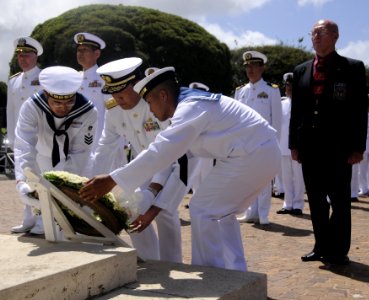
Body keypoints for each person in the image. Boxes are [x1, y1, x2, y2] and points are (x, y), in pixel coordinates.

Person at [80, 66, 281, 271]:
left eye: (150, 102)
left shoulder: (190, 108)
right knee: (221, 214)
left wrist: (113, 180)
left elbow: (161, 151)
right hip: (255, 152)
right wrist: (153, 193)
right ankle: (236, 272)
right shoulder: (188, 106)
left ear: (164, 96)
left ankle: (213, 276)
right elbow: (178, 160)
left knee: (202, 210)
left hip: (252, 154)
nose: (149, 110)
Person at [90, 57, 185, 262]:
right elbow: (105, 148)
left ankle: (172, 262)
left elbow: (166, 153)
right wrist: (89, 181)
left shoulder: (155, 103)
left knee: (165, 212)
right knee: (131, 207)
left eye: (122, 93)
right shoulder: (114, 110)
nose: (117, 98)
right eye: (113, 92)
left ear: (136, 86)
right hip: (141, 166)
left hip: (172, 165)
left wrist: (154, 190)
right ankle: (149, 260)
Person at [289, 19, 367, 265]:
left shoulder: (352, 68)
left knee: (340, 199)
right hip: (309, 146)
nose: (315, 36)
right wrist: (294, 143)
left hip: (339, 147)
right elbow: (296, 110)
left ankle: (339, 249)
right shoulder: (301, 70)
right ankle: (321, 246)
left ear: (335, 36)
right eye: (313, 33)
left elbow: (358, 111)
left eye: (320, 32)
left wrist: (358, 147)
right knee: (315, 199)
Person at [13, 66, 97, 235]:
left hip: (76, 159)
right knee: (32, 190)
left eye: (69, 102)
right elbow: (24, 145)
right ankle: (31, 221)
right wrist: (22, 180)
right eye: (57, 102)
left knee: (76, 207)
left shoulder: (88, 110)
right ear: (46, 94)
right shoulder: (31, 107)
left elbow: (80, 152)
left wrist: (63, 186)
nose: (63, 108)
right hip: (41, 153)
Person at [234, 50, 282, 225]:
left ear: (262, 68)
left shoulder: (271, 90)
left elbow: (277, 119)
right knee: (247, 179)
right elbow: (236, 119)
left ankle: (263, 214)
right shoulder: (240, 91)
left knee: (263, 179)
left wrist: (275, 142)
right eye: (247, 67)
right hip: (245, 142)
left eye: (254, 66)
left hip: (264, 142)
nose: (250, 70)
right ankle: (250, 212)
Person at [74, 32, 126, 171]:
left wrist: (117, 143)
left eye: (85, 50)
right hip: (76, 142)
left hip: (99, 141)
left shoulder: (105, 79)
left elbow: (114, 113)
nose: (80, 53)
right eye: (79, 50)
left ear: (97, 53)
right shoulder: (74, 79)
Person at [7, 36, 43, 234]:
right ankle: (28, 218)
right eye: (20, 55)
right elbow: (10, 111)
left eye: (27, 54)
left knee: (39, 178)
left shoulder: (44, 77)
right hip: (21, 140)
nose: (23, 58)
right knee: (23, 178)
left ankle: (42, 219)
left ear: (36, 56)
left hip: (39, 139)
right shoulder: (13, 81)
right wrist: (13, 140)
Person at [276, 73, 305, 215]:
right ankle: (287, 204)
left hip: (298, 146)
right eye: (287, 85)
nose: (289, 88)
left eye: (292, 85)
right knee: (285, 177)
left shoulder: (303, 103)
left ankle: (298, 204)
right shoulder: (281, 104)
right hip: (282, 145)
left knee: (298, 176)